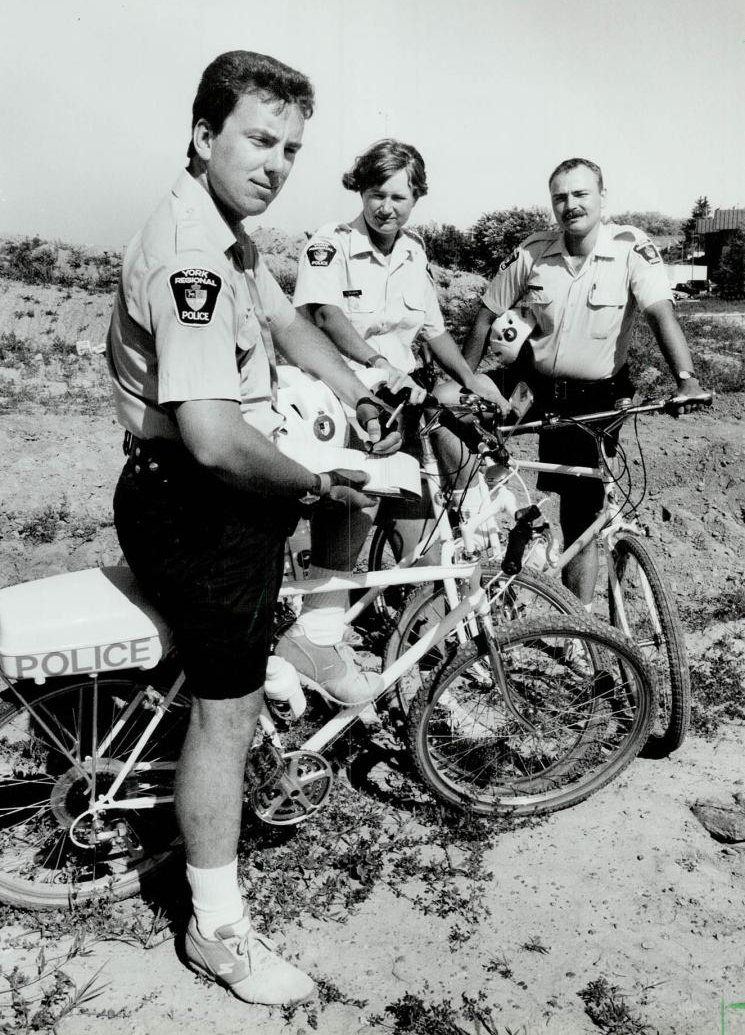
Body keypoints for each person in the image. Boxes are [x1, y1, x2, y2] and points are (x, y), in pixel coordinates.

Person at [107, 50, 400, 1007]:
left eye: (291, 147)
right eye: (257, 140)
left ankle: (293, 647)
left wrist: (361, 389)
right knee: (224, 714)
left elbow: (283, 321)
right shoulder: (193, 249)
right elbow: (216, 437)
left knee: (255, 653)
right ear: (203, 136)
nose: (276, 163)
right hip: (193, 501)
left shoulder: (227, 232)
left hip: (213, 497)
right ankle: (216, 929)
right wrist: (319, 486)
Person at [275, 139, 507, 686]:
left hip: (398, 407)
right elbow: (327, 318)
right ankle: (315, 641)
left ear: (416, 198)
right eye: (377, 193)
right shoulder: (330, 245)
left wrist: (471, 378)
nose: (387, 206)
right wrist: (378, 364)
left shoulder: (414, 253)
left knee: (421, 526)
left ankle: (423, 650)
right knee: (345, 517)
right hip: (341, 401)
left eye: (400, 196)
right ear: (361, 189)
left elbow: (432, 329)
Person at [463, 157, 706, 608]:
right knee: (471, 448)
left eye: (580, 194)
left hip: (594, 399)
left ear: (601, 198)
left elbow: (659, 312)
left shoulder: (632, 248)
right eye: (560, 196)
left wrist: (686, 379)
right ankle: (486, 551)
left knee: (582, 514)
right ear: (552, 203)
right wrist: (464, 381)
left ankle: (580, 622)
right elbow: (485, 315)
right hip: (532, 389)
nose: (570, 205)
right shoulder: (533, 252)